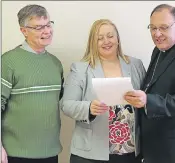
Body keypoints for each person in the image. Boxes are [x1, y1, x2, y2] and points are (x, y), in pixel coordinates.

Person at [62, 19, 145, 163]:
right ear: (92, 42)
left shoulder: (135, 65)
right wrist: (88, 108)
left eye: (110, 36)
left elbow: (146, 98)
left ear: (117, 38)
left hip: (130, 151)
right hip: (90, 154)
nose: (106, 41)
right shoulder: (81, 68)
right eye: (100, 38)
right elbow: (66, 105)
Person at [124, 4, 175, 163]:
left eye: (163, 27)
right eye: (153, 28)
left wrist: (147, 101)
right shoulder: (158, 49)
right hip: (155, 144)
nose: (157, 34)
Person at [1, 4, 64, 163]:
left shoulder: (55, 64)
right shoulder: (8, 62)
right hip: (15, 154)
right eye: (38, 27)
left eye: (48, 24)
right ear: (24, 31)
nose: (47, 31)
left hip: (50, 152)